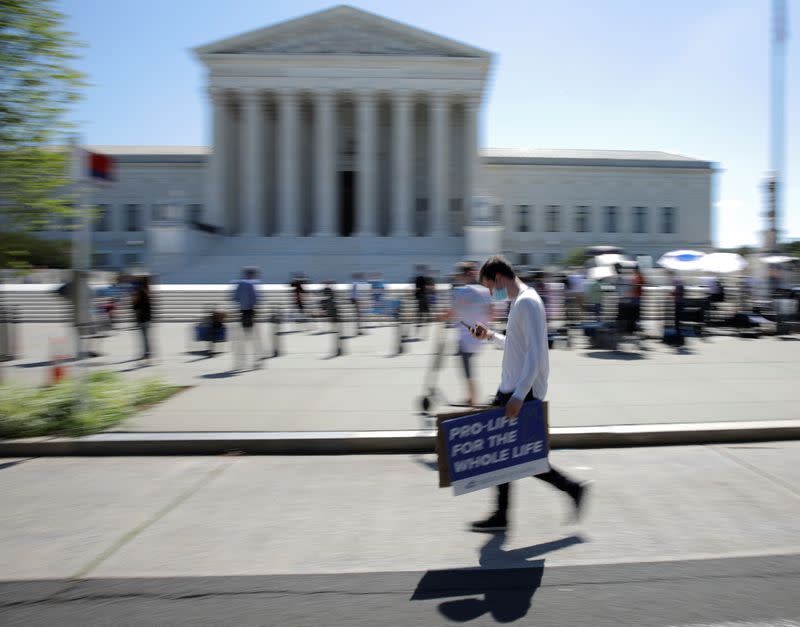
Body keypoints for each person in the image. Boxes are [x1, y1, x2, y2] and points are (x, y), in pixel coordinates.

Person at [468, 255, 589, 532]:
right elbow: (517, 346)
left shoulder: (527, 302)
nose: (490, 294)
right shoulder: (520, 302)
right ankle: (506, 513)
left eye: (490, 287)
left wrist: (519, 396)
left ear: (499, 278)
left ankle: (568, 490)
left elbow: (536, 353)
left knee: (518, 456)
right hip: (513, 389)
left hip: (520, 392)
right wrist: (490, 336)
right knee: (509, 454)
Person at [440, 261, 492, 406]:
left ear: (463, 275)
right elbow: (491, 314)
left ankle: (472, 398)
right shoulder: (485, 291)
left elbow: (451, 313)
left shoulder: (461, 291)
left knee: (466, 368)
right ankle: (471, 397)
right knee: (468, 366)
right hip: (480, 336)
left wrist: (441, 317)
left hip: (465, 339)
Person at [231, 267, 263, 370]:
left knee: (241, 338)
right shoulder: (252, 284)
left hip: (242, 312)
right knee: (254, 337)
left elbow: (234, 297)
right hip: (250, 311)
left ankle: (240, 362)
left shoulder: (240, 284)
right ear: (252, 275)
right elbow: (256, 299)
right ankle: (257, 361)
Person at [131, 276, 153, 361]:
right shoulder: (147, 293)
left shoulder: (141, 293)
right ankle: (147, 353)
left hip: (142, 319)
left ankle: (147, 353)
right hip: (146, 318)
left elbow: (136, 306)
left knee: (144, 338)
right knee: (146, 337)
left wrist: (134, 301)